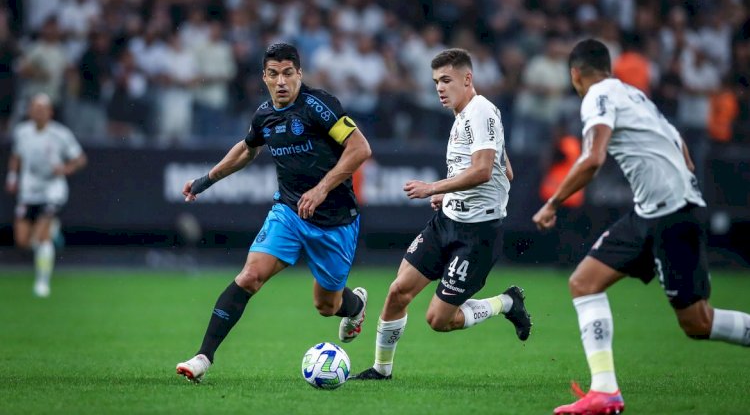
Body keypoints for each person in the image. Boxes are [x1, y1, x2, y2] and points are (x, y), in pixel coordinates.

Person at [532, 39, 750, 415]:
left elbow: (593, 158)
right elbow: (681, 145)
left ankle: (606, 391)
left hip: (671, 214)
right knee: (583, 282)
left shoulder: (596, 95)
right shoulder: (633, 95)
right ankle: (605, 391)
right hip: (652, 210)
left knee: (698, 322)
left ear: (575, 75)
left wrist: (552, 203)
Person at [175, 43, 372, 383]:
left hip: (335, 221)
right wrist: (205, 181)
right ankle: (203, 357)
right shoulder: (264, 115)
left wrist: (321, 189)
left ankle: (354, 306)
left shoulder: (320, 106)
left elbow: (360, 148)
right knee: (250, 276)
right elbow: (246, 150)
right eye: (273, 74)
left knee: (326, 305)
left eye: (288, 73)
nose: (281, 81)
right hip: (289, 212)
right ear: (264, 77)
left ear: (299, 74)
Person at [352, 48, 532, 381]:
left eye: (446, 80)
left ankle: (506, 302)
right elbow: (504, 170)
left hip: (476, 236)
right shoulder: (462, 115)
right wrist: (451, 192)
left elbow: (481, 170)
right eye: (436, 81)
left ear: (468, 79)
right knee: (397, 292)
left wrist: (434, 188)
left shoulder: (481, 112)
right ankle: (381, 370)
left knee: (439, 320)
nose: (439, 88)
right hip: (446, 222)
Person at [5, 93, 87, 297]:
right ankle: (54, 235)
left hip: (52, 190)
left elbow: (80, 159)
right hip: (28, 190)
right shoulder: (22, 132)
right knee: (23, 240)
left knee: (41, 236)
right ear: (30, 111)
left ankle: (42, 282)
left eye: (42, 109)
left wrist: (66, 169)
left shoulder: (60, 134)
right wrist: (12, 177)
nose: (38, 113)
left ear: (50, 112)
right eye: (35, 108)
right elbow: (16, 156)